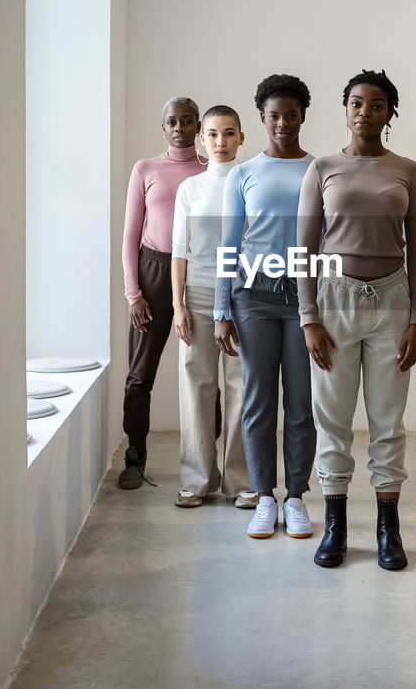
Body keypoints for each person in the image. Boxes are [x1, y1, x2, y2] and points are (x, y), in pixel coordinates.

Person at [297, 69, 416, 570]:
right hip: (333, 301)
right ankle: (334, 526)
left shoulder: (409, 171)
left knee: (387, 421)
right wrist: (309, 316)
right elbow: (304, 246)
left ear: (389, 113)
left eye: (377, 105)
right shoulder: (323, 167)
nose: (364, 111)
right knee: (331, 419)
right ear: (345, 107)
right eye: (356, 102)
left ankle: (388, 529)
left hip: (392, 300)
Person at [214, 74, 317, 539]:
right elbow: (229, 244)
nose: (282, 123)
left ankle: (295, 497)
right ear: (261, 118)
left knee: (300, 401)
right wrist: (221, 310)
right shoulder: (244, 174)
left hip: (303, 300)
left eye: (291, 115)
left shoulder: (319, 170)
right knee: (258, 400)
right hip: (251, 298)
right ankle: (263, 496)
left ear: (302, 118)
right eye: (274, 115)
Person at [170, 106, 257, 509]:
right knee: (197, 387)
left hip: (244, 296)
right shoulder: (190, 188)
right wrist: (178, 304)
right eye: (212, 134)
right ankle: (196, 479)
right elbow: (178, 251)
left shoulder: (250, 182)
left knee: (241, 389)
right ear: (201, 140)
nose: (220, 142)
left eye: (229, 133)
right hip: (198, 298)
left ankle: (240, 482)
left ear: (241, 138)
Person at [117, 97, 206, 490]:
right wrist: (133, 293)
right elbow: (130, 235)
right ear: (163, 126)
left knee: (205, 372)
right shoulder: (146, 169)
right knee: (140, 375)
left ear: (198, 125)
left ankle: (208, 459)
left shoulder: (210, 169)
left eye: (187, 121)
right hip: (153, 270)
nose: (179, 128)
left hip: (198, 270)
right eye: (172, 121)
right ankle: (135, 458)